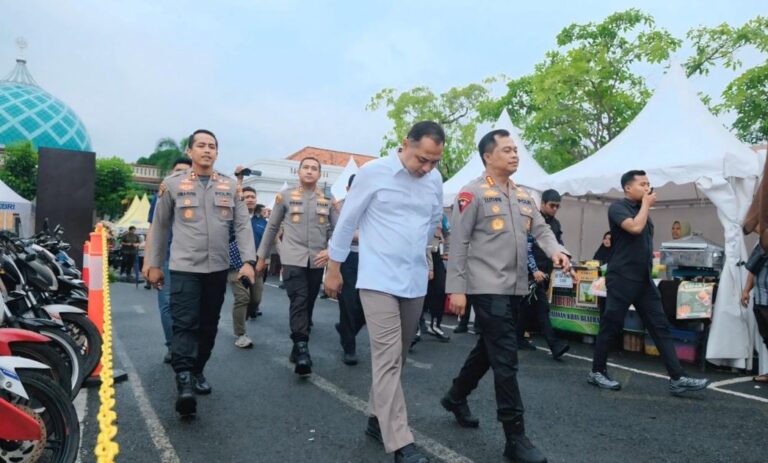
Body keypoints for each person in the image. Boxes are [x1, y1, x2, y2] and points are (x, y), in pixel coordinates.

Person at [443, 129, 569, 463]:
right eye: (507, 150)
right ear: (488, 156)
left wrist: (556, 251)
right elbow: (459, 243)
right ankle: (516, 438)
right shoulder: (472, 193)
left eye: (516, 150)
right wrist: (456, 288)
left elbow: (541, 229)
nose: (515, 155)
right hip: (486, 287)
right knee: (505, 358)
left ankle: (456, 396)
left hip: (516, 287)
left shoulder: (524, 195)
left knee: (489, 348)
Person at [325, 121, 444, 463]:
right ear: (405, 144)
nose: (427, 168)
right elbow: (347, 221)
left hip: (414, 280)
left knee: (399, 357)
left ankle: (378, 418)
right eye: (422, 159)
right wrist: (333, 269)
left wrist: (426, 259)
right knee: (388, 357)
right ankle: (401, 443)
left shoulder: (433, 180)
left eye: (434, 162)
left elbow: (432, 221)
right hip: (377, 279)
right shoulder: (373, 173)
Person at [147, 129, 256, 418]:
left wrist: (249, 261)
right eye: (201, 146)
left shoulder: (229, 186)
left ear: (217, 153)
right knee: (185, 324)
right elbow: (160, 227)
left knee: (208, 326)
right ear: (191, 150)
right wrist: (153, 264)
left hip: (217, 269)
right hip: (183, 268)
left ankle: (197, 371)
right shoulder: (172, 185)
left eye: (212, 146)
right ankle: (183, 381)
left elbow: (243, 226)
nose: (207, 150)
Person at [588, 170, 709, 395]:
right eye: (642, 184)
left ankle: (678, 377)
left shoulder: (643, 212)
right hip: (622, 277)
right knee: (611, 325)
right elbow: (634, 227)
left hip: (643, 280)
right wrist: (645, 205)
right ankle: (597, 371)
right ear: (627, 188)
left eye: (648, 184)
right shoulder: (618, 208)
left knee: (659, 326)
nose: (647, 188)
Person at [255, 157, 338, 377]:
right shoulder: (286, 197)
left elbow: (339, 231)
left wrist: (331, 252)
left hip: (316, 260)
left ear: (320, 175)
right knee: (299, 301)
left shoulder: (328, 200)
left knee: (308, 303)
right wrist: (261, 257)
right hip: (292, 259)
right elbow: (272, 228)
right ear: (299, 172)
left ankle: (298, 342)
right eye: (306, 168)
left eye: (314, 168)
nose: (310, 171)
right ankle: (302, 349)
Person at [143, 157, 192, 363]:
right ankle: (173, 346)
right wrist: (148, 262)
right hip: (165, 258)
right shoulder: (161, 196)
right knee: (167, 305)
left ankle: (187, 347)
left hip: (191, 260)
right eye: (177, 171)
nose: (181, 175)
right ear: (171, 173)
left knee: (189, 307)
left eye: (185, 172)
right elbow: (153, 231)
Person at [516, 189, 570, 358]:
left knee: (525, 307)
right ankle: (554, 345)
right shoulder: (531, 221)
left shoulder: (556, 224)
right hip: (531, 271)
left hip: (545, 271)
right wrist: (533, 270)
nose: (554, 209)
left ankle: (517, 337)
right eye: (552, 205)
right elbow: (526, 248)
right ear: (542, 204)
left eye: (557, 206)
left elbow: (558, 244)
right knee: (541, 308)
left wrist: (565, 258)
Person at [334, 174, 367, 366]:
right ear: (348, 189)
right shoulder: (340, 206)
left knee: (365, 306)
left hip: (370, 259)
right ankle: (349, 347)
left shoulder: (376, 202)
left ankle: (346, 330)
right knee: (347, 303)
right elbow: (341, 232)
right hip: (347, 258)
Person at [227, 185, 265, 349]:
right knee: (242, 298)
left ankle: (245, 314)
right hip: (235, 265)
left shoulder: (261, 222)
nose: (250, 199)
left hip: (256, 267)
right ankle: (241, 334)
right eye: (246, 196)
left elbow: (268, 240)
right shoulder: (231, 218)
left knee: (255, 300)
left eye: (252, 196)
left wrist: (266, 258)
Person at [741, 241, 768, 383]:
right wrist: (746, 290)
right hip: (760, 298)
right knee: (767, 338)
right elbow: (753, 268)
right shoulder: (760, 244)